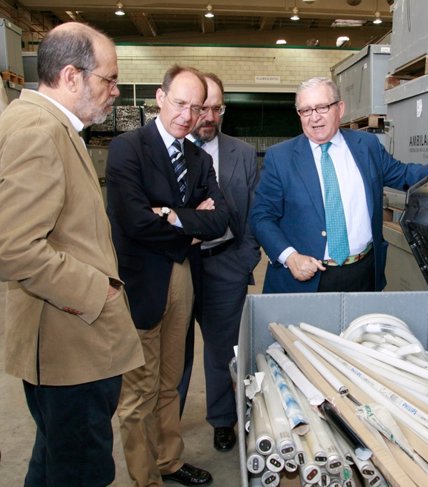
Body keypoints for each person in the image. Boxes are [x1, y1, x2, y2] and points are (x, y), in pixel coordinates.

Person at [0, 22, 144, 487]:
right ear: (70, 75)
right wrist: (95, 291)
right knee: (79, 472)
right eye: (108, 79)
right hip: (69, 343)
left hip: (70, 344)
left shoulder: (53, 126)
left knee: (54, 465)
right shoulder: (37, 131)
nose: (115, 91)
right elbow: (13, 246)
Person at [106, 65, 234, 487]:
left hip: (181, 278)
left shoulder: (197, 158)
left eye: (196, 107)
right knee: (137, 392)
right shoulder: (128, 148)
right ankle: (146, 479)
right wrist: (187, 225)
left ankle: (170, 461)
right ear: (160, 98)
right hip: (141, 282)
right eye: (180, 103)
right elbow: (132, 221)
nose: (187, 114)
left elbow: (221, 220)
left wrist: (168, 214)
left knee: (169, 382)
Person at [249, 76, 428, 294]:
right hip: (305, 279)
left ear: (340, 108)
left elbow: (401, 174)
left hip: (363, 273)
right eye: (306, 110)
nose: (314, 117)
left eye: (322, 107)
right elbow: (261, 217)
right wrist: (290, 257)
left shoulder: (366, 146)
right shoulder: (281, 158)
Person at [178, 73, 261, 452]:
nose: (209, 116)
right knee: (173, 353)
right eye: (203, 108)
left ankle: (222, 419)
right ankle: (166, 429)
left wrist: (246, 258)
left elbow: (256, 211)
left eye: (217, 108)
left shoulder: (242, 154)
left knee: (222, 350)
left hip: (226, 264)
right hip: (177, 264)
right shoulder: (168, 150)